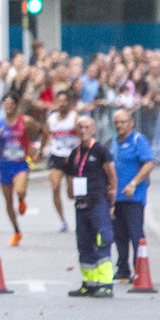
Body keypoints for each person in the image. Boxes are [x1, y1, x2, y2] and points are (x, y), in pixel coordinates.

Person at [65, 116, 117, 298]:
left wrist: (112, 200)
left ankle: (106, 284)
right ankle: (90, 283)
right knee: (84, 244)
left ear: (94, 129)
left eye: (87, 127)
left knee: (103, 240)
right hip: (81, 204)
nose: (83, 130)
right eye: (80, 127)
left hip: (98, 203)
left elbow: (111, 175)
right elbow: (70, 177)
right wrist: (70, 191)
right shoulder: (74, 154)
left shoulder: (100, 151)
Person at [109, 108, 155, 282]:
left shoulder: (138, 140)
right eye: (116, 123)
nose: (119, 126)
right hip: (117, 197)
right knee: (119, 234)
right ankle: (122, 269)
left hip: (133, 196)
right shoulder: (114, 142)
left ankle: (140, 269)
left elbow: (149, 164)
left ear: (131, 122)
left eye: (122, 122)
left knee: (135, 233)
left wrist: (134, 183)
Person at [0, 94, 36, 246]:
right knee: (8, 202)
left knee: (19, 191)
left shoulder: (25, 121)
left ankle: (21, 199)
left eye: (11, 104)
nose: (8, 107)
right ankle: (16, 231)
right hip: (5, 165)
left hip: (20, 163)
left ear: (16, 105)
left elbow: (40, 130)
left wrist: (39, 148)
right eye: (5, 104)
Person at [41, 90, 78, 233]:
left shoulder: (74, 118)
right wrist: (42, 149)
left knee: (71, 193)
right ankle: (63, 220)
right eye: (59, 101)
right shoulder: (52, 119)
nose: (62, 104)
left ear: (68, 103)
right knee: (55, 187)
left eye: (64, 101)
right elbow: (45, 134)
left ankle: (80, 215)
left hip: (71, 156)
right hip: (56, 155)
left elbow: (83, 134)